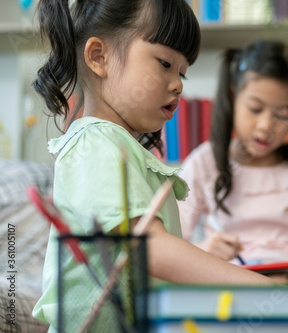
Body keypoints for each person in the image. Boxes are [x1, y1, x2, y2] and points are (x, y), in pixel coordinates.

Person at [31, 1, 275, 332]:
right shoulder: (94, 143)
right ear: (98, 57)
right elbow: (149, 250)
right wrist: (263, 289)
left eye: (182, 72)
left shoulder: (119, 145)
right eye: (165, 63)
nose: (178, 84)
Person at [178, 40, 288, 290]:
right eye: (255, 109)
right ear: (233, 96)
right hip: (235, 283)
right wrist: (202, 252)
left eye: (283, 114)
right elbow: (166, 246)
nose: (265, 125)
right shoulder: (206, 162)